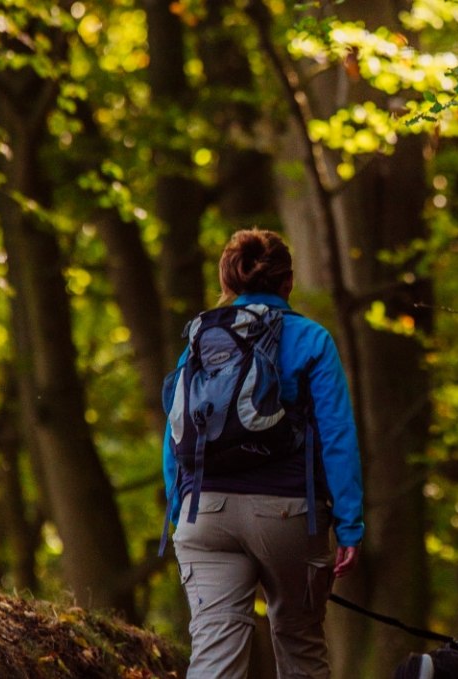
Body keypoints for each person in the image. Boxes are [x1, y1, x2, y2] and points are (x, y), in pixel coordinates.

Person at [163, 229, 364, 678]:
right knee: (300, 646)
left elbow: (174, 433)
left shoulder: (199, 338)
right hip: (288, 514)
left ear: (228, 282)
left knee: (213, 659)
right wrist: (349, 526)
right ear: (287, 282)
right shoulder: (312, 340)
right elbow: (337, 436)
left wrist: (181, 509)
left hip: (204, 514)